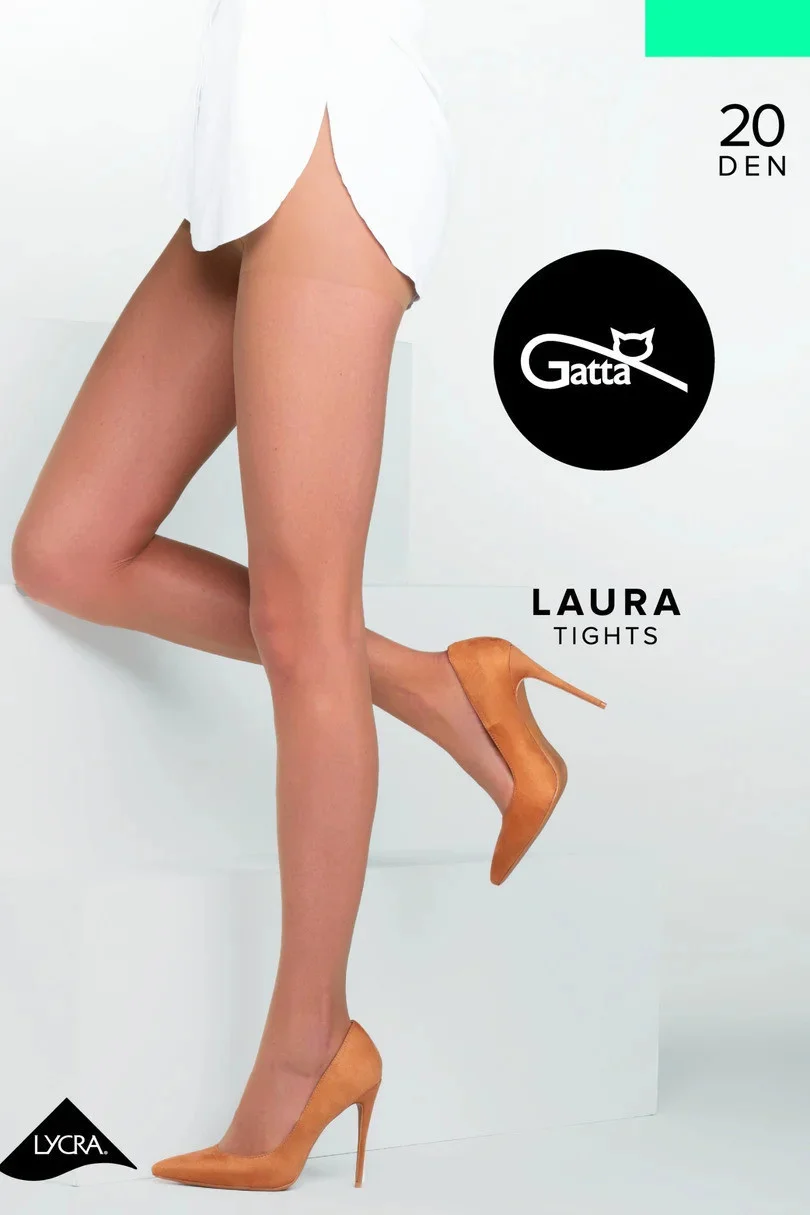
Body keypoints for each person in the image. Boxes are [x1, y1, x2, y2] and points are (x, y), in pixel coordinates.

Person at [10, 0, 602, 1191]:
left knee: (303, 616)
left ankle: (310, 1044)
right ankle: (439, 686)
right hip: (245, 144)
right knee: (69, 547)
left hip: (339, 135)